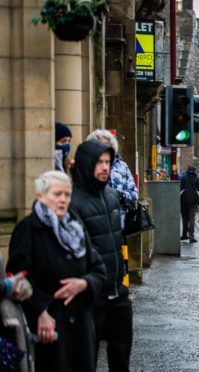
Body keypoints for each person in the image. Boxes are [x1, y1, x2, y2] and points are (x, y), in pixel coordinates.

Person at [6, 170, 106, 372]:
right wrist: (40, 310)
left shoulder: (75, 227)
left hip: (80, 327)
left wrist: (84, 283)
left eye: (67, 195)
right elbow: (17, 277)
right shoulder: (28, 229)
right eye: (57, 194)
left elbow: (98, 269)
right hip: (48, 327)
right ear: (41, 196)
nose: (63, 200)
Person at [69, 140, 132, 371]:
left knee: (121, 355)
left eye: (107, 162)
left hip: (117, 292)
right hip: (90, 296)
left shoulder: (112, 196)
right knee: (86, 359)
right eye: (99, 162)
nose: (105, 167)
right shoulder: (73, 202)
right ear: (87, 164)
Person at [86, 130, 138, 228]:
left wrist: (121, 196)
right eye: (100, 144)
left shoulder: (122, 166)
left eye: (107, 144)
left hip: (118, 224)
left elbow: (134, 193)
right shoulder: (87, 164)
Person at [180, 165, 199, 243]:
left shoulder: (183, 177)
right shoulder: (198, 178)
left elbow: (180, 189)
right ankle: (191, 237)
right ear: (194, 171)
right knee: (192, 219)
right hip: (193, 202)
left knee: (184, 219)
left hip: (184, 201)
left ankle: (184, 235)